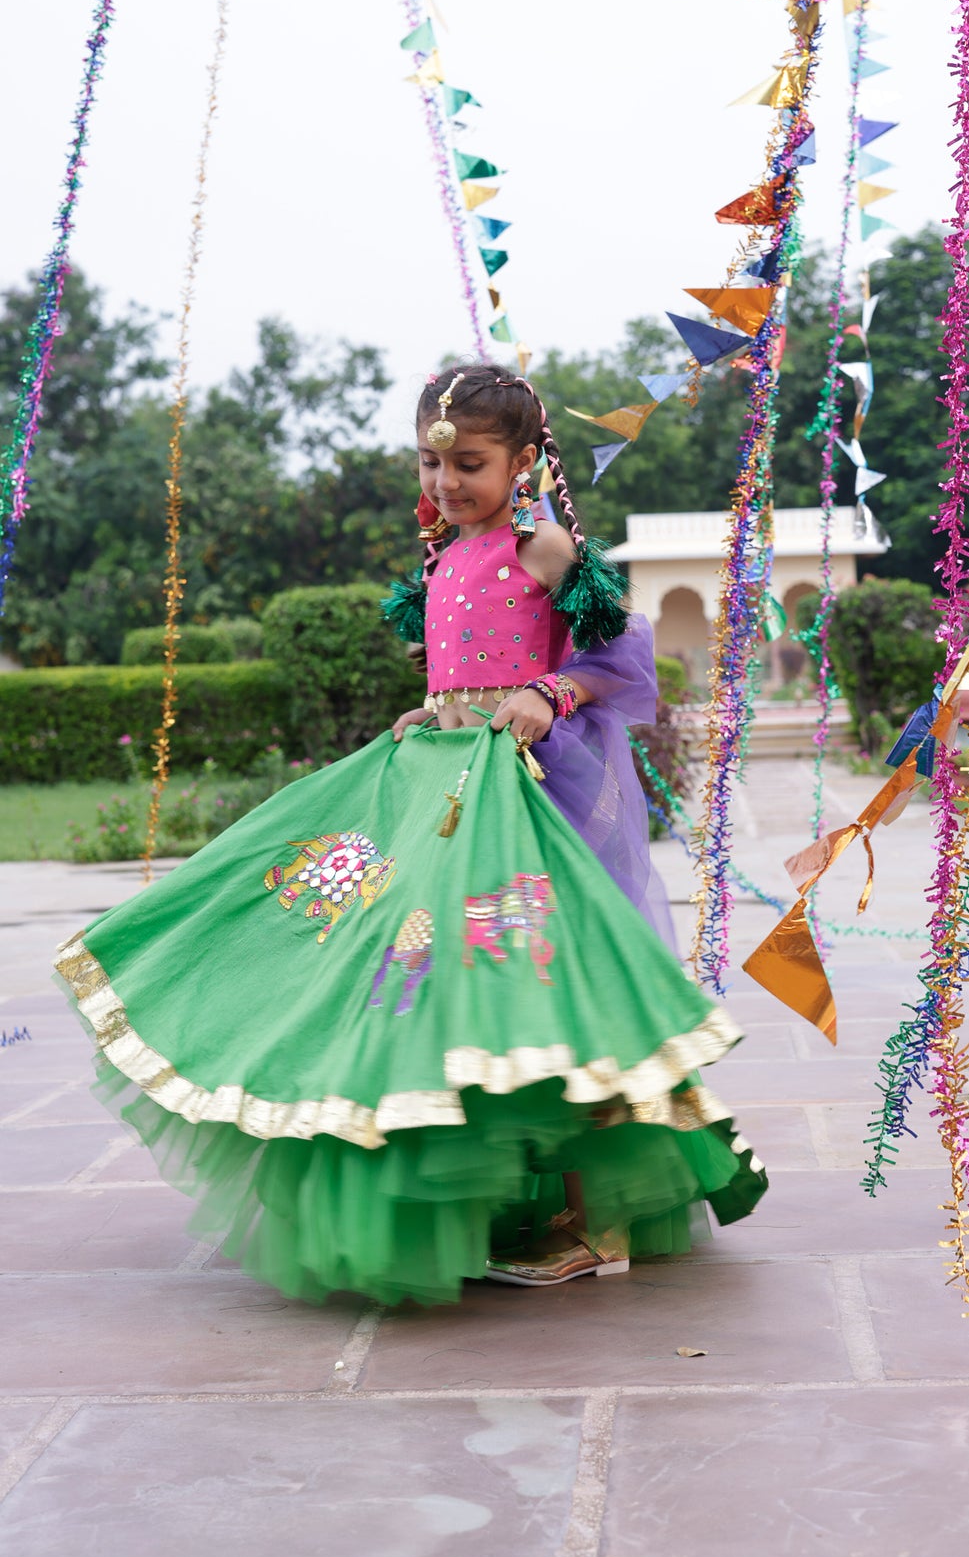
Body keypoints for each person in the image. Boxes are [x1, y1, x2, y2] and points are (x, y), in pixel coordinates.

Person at [54, 362, 768, 1306]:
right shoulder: (444, 555)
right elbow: (458, 668)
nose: (445, 484)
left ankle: (598, 1226)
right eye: (432, 466)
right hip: (440, 787)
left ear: (522, 461)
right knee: (411, 981)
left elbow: (621, 658)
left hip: (527, 798)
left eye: (469, 463)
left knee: (553, 999)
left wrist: (549, 695)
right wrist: (433, 709)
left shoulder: (542, 547)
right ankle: (500, 1198)